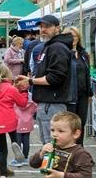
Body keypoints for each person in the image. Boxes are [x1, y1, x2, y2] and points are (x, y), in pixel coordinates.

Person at [29, 15, 76, 144]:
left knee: (52, 145)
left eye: (47, 26)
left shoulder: (57, 47)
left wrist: (31, 81)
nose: (43, 29)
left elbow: (55, 78)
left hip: (52, 104)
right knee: (48, 143)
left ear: (57, 28)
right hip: (47, 104)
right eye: (41, 27)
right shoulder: (49, 45)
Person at [65, 26, 93, 136]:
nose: (73, 38)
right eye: (70, 36)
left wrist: (89, 93)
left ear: (79, 38)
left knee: (81, 124)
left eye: (75, 36)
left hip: (83, 95)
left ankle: (79, 146)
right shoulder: (63, 53)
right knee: (69, 124)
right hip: (68, 95)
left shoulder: (84, 54)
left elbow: (87, 74)